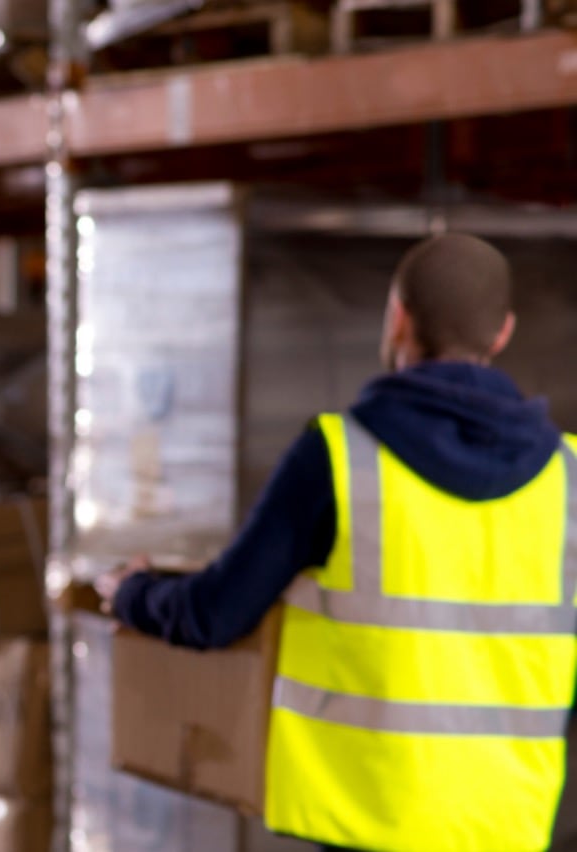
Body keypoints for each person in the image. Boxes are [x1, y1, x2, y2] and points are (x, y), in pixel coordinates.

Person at [98, 233, 575, 851]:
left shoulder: (340, 457)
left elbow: (216, 613)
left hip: (364, 826)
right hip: (506, 830)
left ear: (397, 317)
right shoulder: (566, 480)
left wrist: (132, 593)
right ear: (502, 334)